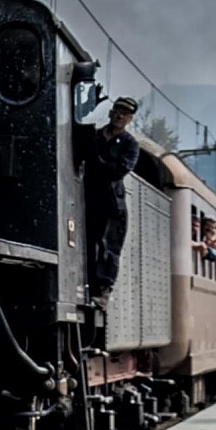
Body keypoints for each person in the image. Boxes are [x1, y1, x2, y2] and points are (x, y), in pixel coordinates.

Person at [84, 95, 142, 299]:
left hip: (111, 202)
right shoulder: (95, 136)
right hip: (88, 197)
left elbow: (119, 170)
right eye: (117, 110)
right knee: (89, 242)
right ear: (111, 112)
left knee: (109, 246)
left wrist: (97, 162)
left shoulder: (130, 144)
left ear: (130, 118)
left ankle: (104, 288)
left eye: (124, 113)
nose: (119, 115)